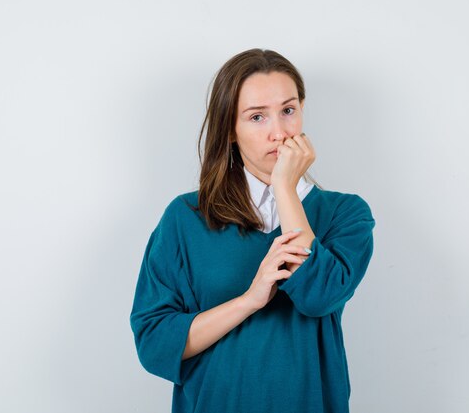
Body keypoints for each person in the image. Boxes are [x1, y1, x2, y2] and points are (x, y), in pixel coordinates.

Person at [129, 48, 376, 413]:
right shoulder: (185, 217)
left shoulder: (346, 213)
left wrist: (285, 189)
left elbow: (319, 296)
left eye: (288, 111)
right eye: (257, 117)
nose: (279, 132)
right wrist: (249, 300)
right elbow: (154, 343)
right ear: (231, 128)